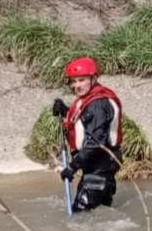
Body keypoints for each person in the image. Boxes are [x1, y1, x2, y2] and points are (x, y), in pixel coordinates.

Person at [51, 56, 122, 213]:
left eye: (81, 80)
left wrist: (72, 167)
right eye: (73, 81)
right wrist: (65, 111)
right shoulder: (92, 99)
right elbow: (86, 120)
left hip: (100, 163)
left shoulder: (98, 103)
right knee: (99, 210)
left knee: (81, 213)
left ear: (94, 78)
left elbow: (96, 141)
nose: (77, 85)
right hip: (96, 164)